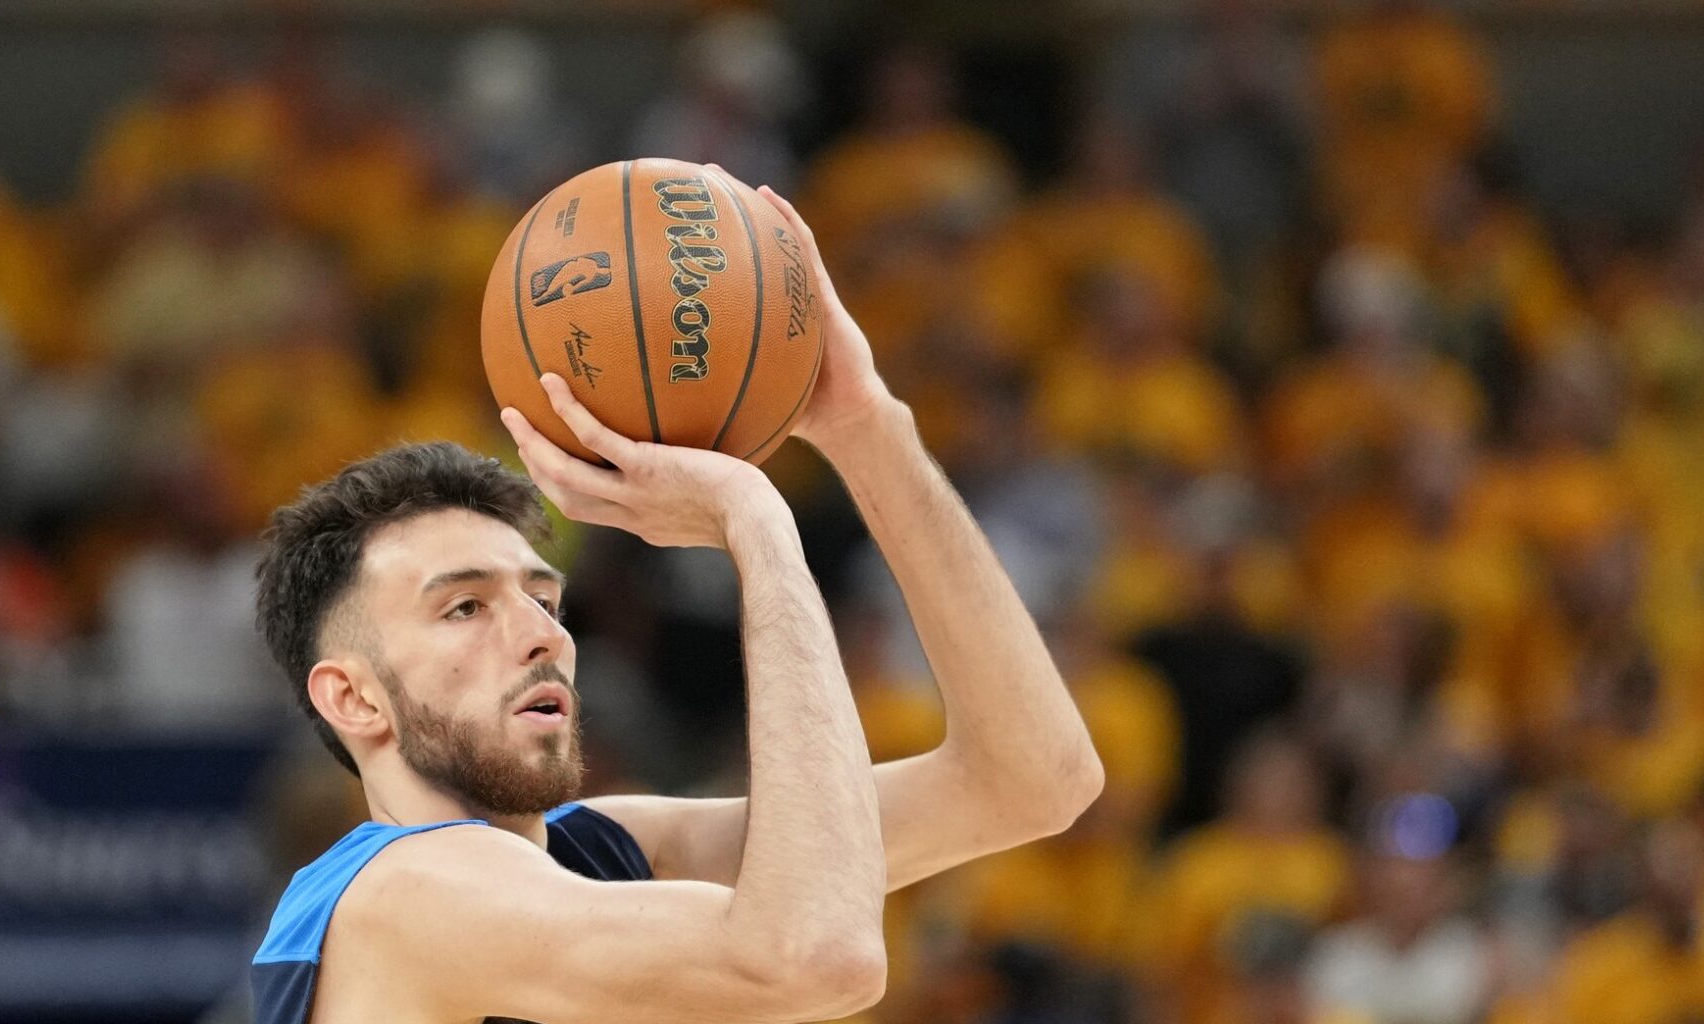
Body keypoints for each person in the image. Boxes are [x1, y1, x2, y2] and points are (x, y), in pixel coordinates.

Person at [246, 187, 1105, 1023]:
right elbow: (816, 956)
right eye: (465, 608)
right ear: (352, 698)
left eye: (543, 595)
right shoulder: (402, 896)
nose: (540, 633)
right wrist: (758, 526)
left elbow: (1032, 781)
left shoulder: (600, 853)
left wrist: (864, 428)